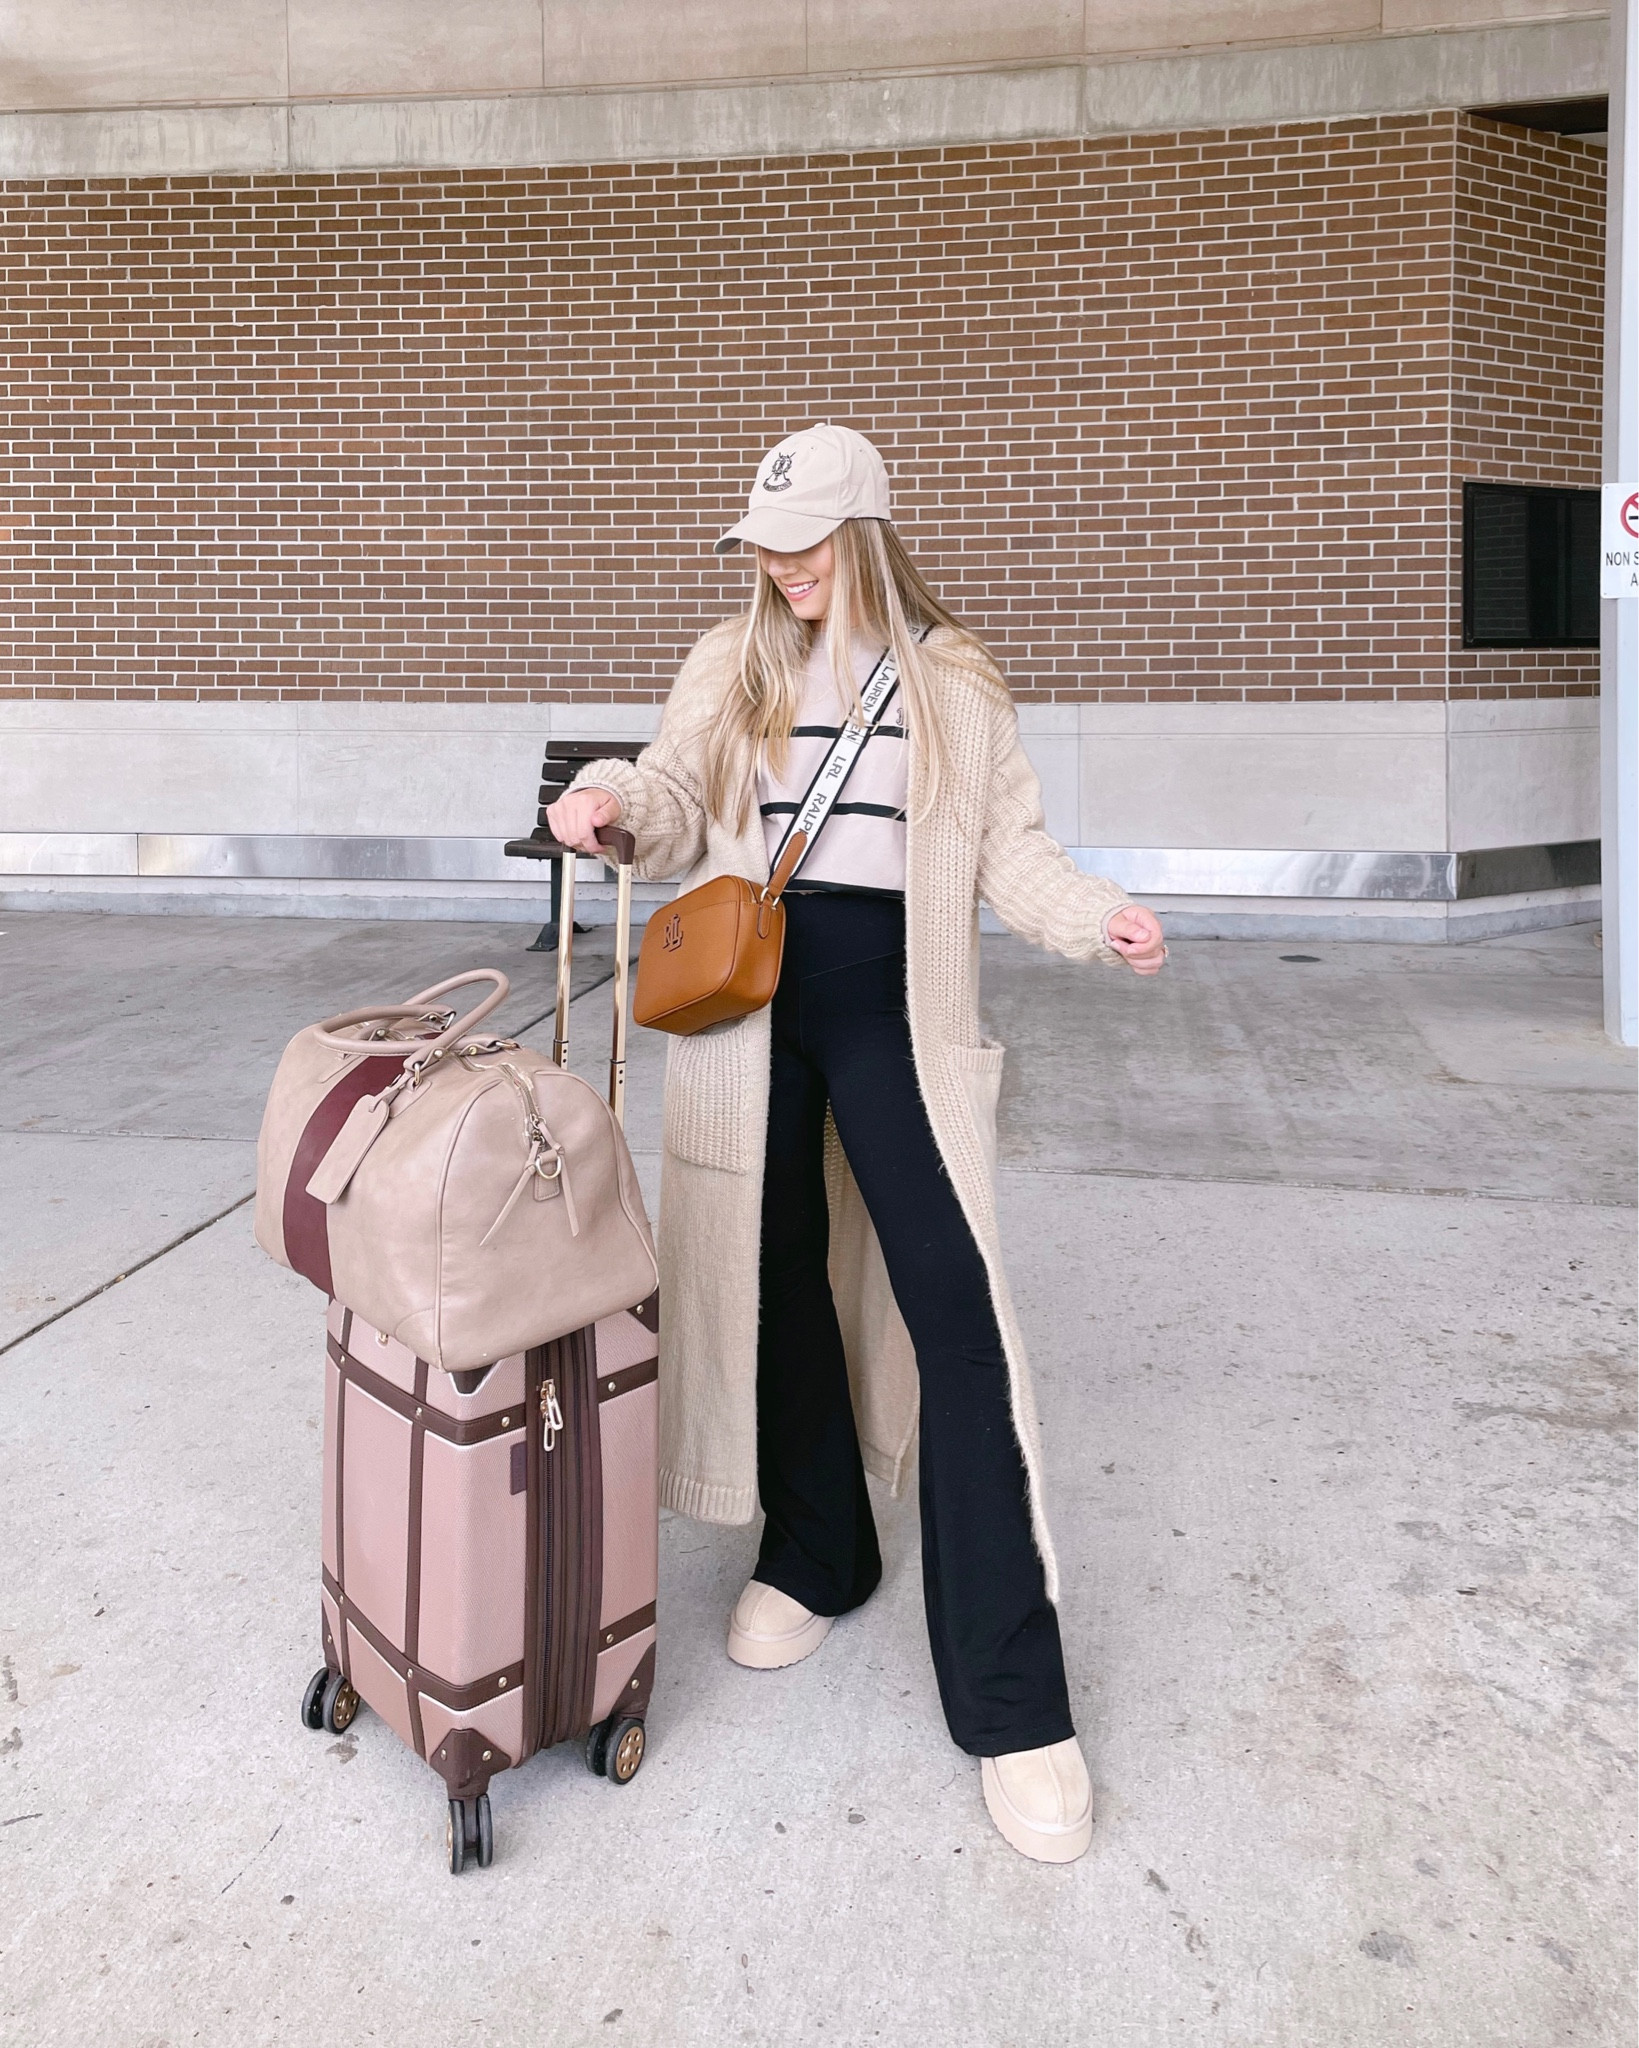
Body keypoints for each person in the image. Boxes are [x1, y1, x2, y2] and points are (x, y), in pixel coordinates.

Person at [547, 424, 1165, 1863]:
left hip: (899, 1013)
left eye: (805, 539)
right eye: (762, 544)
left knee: (960, 1323)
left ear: (869, 529)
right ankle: (818, 1548)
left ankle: (1016, 1702)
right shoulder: (735, 658)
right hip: (747, 1007)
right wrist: (612, 804)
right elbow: (677, 790)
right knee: (766, 1284)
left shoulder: (952, 680)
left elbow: (1011, 852)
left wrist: (1094, 917)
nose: (780, 565)